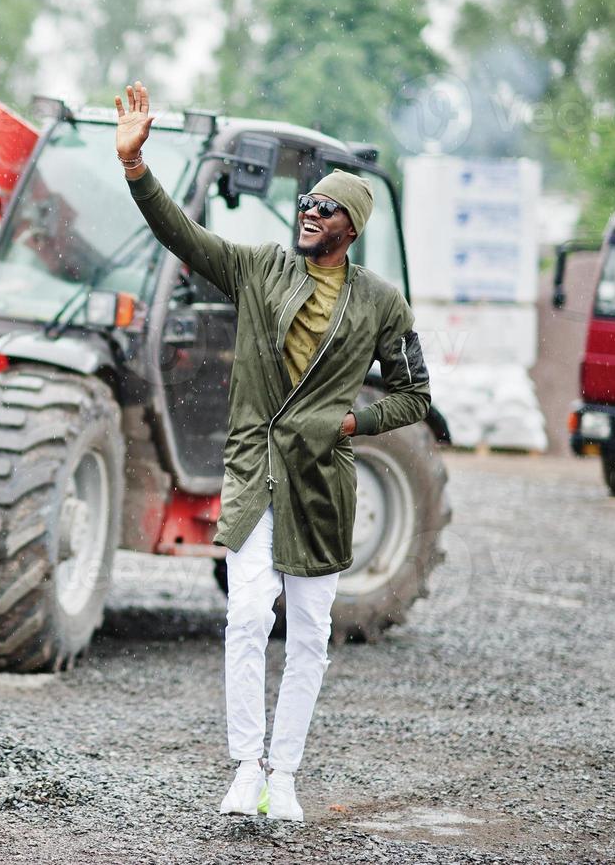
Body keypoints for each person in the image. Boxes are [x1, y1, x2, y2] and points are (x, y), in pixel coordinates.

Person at [114, 82, 432, 822]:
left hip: (322, 483)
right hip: (254, 470)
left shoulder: (381, 302)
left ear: (348, 226)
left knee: (311, 632)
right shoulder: (260, 269)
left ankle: (284, 775)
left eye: (321, 207)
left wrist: (351, 425)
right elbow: (183, 237)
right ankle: (244, 765)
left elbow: (415, 396)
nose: (305, 212)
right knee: (248, 614)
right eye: (303, 203)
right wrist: (136, 169)